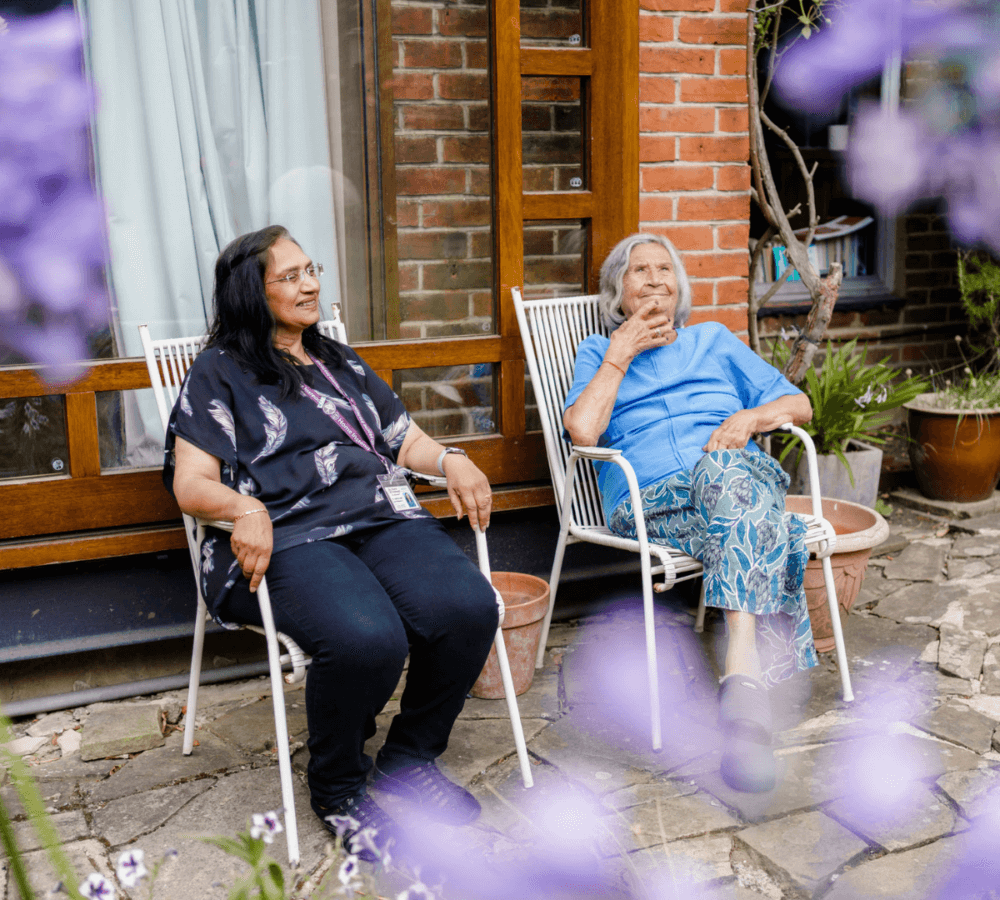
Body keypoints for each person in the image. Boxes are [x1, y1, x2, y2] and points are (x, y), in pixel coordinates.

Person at [163, 225, 498, 857]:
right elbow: (191, 484)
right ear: (249, 293)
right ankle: (340, 789)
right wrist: (243, 507)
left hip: (377, 516)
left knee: (468, 608)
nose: (311, 283)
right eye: (289, 276)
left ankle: (409, 757)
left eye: (310, 268)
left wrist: (450, 458)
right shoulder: (219, 372)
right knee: (366, 638)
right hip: (285, 535)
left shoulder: (338, 360)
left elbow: (403, 439)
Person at [563, 233, 817, 793]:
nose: (654, 279)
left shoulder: (713, 341)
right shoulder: (596, 352)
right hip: (651, 500)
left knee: (727, 478)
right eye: (639, 271)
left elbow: (798, 404)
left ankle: (740, 683)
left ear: (679, 287)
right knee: (754, 510)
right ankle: (748, 691)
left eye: (664, 270)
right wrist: (619, 355)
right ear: (618, 292)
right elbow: (583, 430)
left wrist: (752, 419)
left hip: (730, 483)